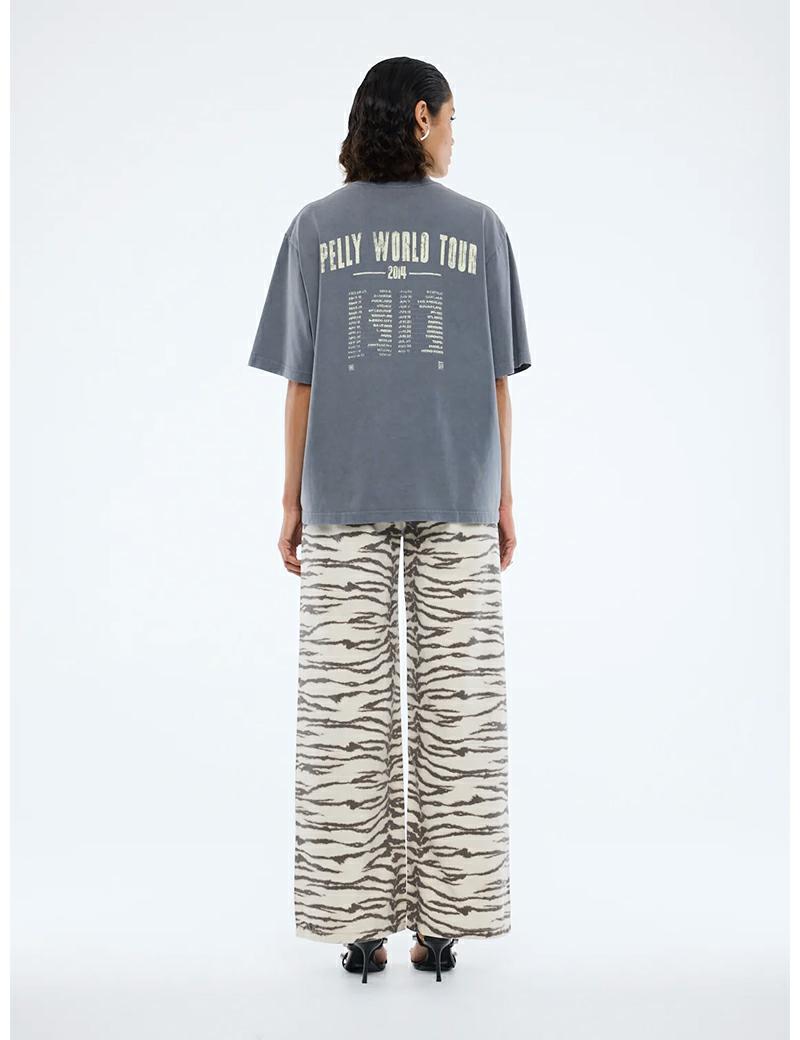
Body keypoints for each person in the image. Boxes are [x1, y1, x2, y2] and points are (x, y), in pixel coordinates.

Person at [248, 56, 532, 983]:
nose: (454, 134)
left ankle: (358, 927)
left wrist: (290, 499)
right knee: (461, 714)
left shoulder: (314, 228)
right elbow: (498, 381)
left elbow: (301, 382)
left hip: (344, 495)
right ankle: (445, 927)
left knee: (344, 715)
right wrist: (503, 495)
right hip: (457, 492)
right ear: (420, 117)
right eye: (451, 118)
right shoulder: (481, 229)